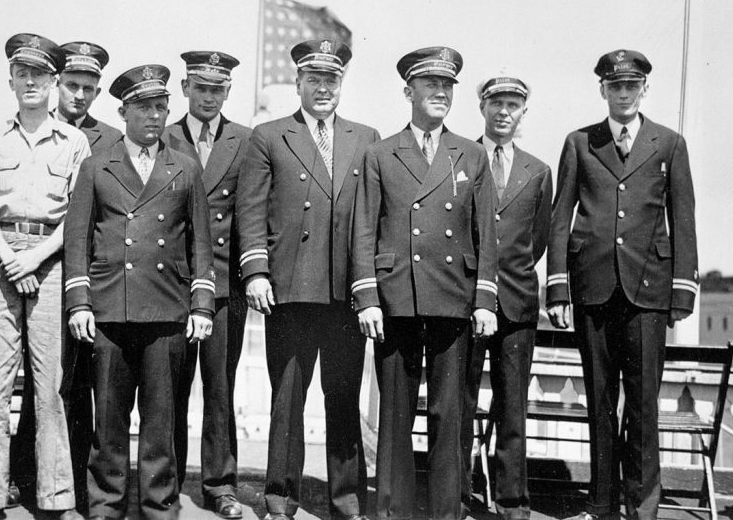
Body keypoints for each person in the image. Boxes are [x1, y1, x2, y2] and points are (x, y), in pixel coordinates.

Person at [546, 50, 698, 520]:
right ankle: (601, 504)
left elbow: (683, 218)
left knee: (643, 406)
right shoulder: (579, 143)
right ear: (603, 91)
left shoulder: (669, 143)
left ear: (644, 89)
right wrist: (556, 289)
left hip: (648, 292)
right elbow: (559, 217)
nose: (624, 94)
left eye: (632, 86)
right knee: (599, 403)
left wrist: (682, 290)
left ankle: (643, 506)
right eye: (616, 87)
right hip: (592, 289)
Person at [349, 46, 499, 520]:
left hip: (453, 297)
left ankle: (443, 512)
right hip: (396, 296)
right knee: (394, 412)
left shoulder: (471, 155)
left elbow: (485, 233)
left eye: (448, 86)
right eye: (430, 85)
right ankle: (391, 510)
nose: (440, 93)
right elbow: (364, 229)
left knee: (447, 415)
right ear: (408, 91)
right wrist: (367, 296)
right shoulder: (380, 153)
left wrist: (485, 300)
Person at [0, 33, 90, 520]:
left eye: (40, 75)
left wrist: (37, 258)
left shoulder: (75, 141)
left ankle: (54, 498)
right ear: (11, 80)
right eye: (21, 73)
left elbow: (79, 213)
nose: (31, 82)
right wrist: (10, 257)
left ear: (54, 83)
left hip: (51, 262)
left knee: (49, 388)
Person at [64, 64, 216, 520]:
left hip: (166, 311)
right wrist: (79, 302)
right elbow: (78, 239)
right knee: (107, 424)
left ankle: (158, 508)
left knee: (159, 424)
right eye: (143, 107)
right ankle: (106, 507)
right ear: (123, 111)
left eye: (160, 107)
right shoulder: (96, 167)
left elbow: (201, 244)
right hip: (110, 310)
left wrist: (202, 305)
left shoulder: (184, 169)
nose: (154, 116)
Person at [236, 39, 380, 520]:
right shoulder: (270, 135)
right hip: (291, 290)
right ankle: (280, 498)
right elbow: (251, 211)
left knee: (342, 397)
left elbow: (372, 219)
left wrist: (368, 290)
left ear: (342, 84)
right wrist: (256, 271)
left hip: (344, 294)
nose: (323, 88)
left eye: (331, 80)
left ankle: (347, 498)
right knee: (287, 398)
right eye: (314, 79)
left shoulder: (366, 137)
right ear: (297, 82)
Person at [11, 39, 120, 513]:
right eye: (72, 85)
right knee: (46, 381)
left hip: (96, 280)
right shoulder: (36, 131)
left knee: (92, 383)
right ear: (57, 85)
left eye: (88, 88)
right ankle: (24, 474)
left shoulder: (114, 140)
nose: (79, 95)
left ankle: (80, 482)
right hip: (44, 273)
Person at [459, 76, 552, 519]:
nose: (503, 112)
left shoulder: (538, 171)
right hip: (465, 300)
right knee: (459, 402)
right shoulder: (461, 158)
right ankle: (456, 495)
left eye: (513, 105)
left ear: (523, 113)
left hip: (516, 304)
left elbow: (538, 240)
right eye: (496, 103)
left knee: (512, 407)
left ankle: (512, 502)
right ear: (481, 107)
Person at [165, 50, 250, 519]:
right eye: (201, 88)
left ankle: (220, 486)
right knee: (170, 388)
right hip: (173, 286)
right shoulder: (164, 134)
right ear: (185, 89)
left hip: (223, 288)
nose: (209, 97)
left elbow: (252, 212)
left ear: (228, 92)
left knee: (220, 389)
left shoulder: (246, 140)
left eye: (218, 89)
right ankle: (168, 482)